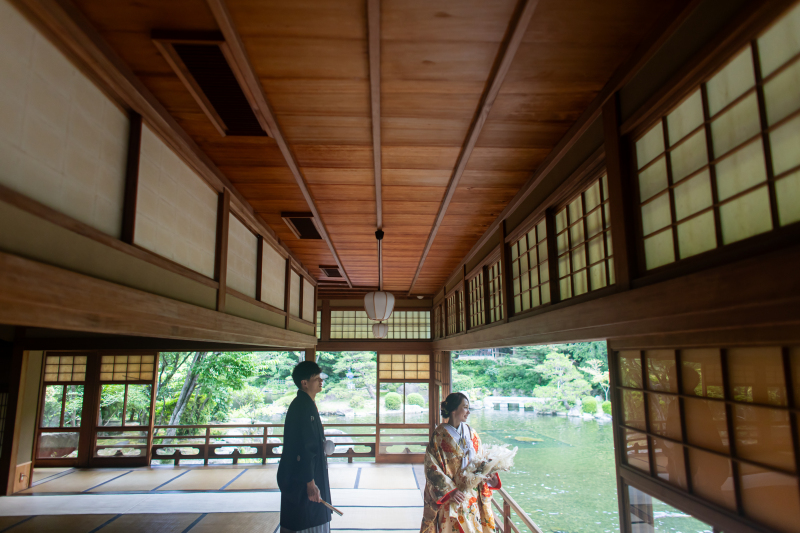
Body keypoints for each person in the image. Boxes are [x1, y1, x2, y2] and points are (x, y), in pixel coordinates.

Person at [420, 392, 501, 533]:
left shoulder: (472, 433)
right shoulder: (439, 435)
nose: (468, 411)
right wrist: (450, 490)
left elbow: (481, 461)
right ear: (453, 410)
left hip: (471, 495)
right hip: (452, 497)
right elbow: (431, 467)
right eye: (465, 407)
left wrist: (489, 477)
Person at [277, 361, 332, 533]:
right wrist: (310, 483)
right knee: (306, 517)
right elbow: (304, 448)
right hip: (303, 477)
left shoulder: (306, 403)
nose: (321, 381)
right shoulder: (302, 406)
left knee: (310, 514)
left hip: (310, 472)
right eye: (316, 378)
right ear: (304, 383)